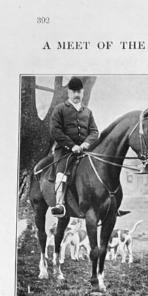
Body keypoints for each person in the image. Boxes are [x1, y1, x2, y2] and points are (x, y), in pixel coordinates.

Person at [49, 76, 99, 218]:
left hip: (84, 151)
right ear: (68, 93)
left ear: (83, 92)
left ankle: (104, 202)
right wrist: (71, 146)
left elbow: (94, 131)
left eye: (79, 92)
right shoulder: (60, 109)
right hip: (65, 152)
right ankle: (59, 204)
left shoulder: (87, 112)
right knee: (61, 174)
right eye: (73, 92)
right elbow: (55, 131)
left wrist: (85, 143)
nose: (77, 95)